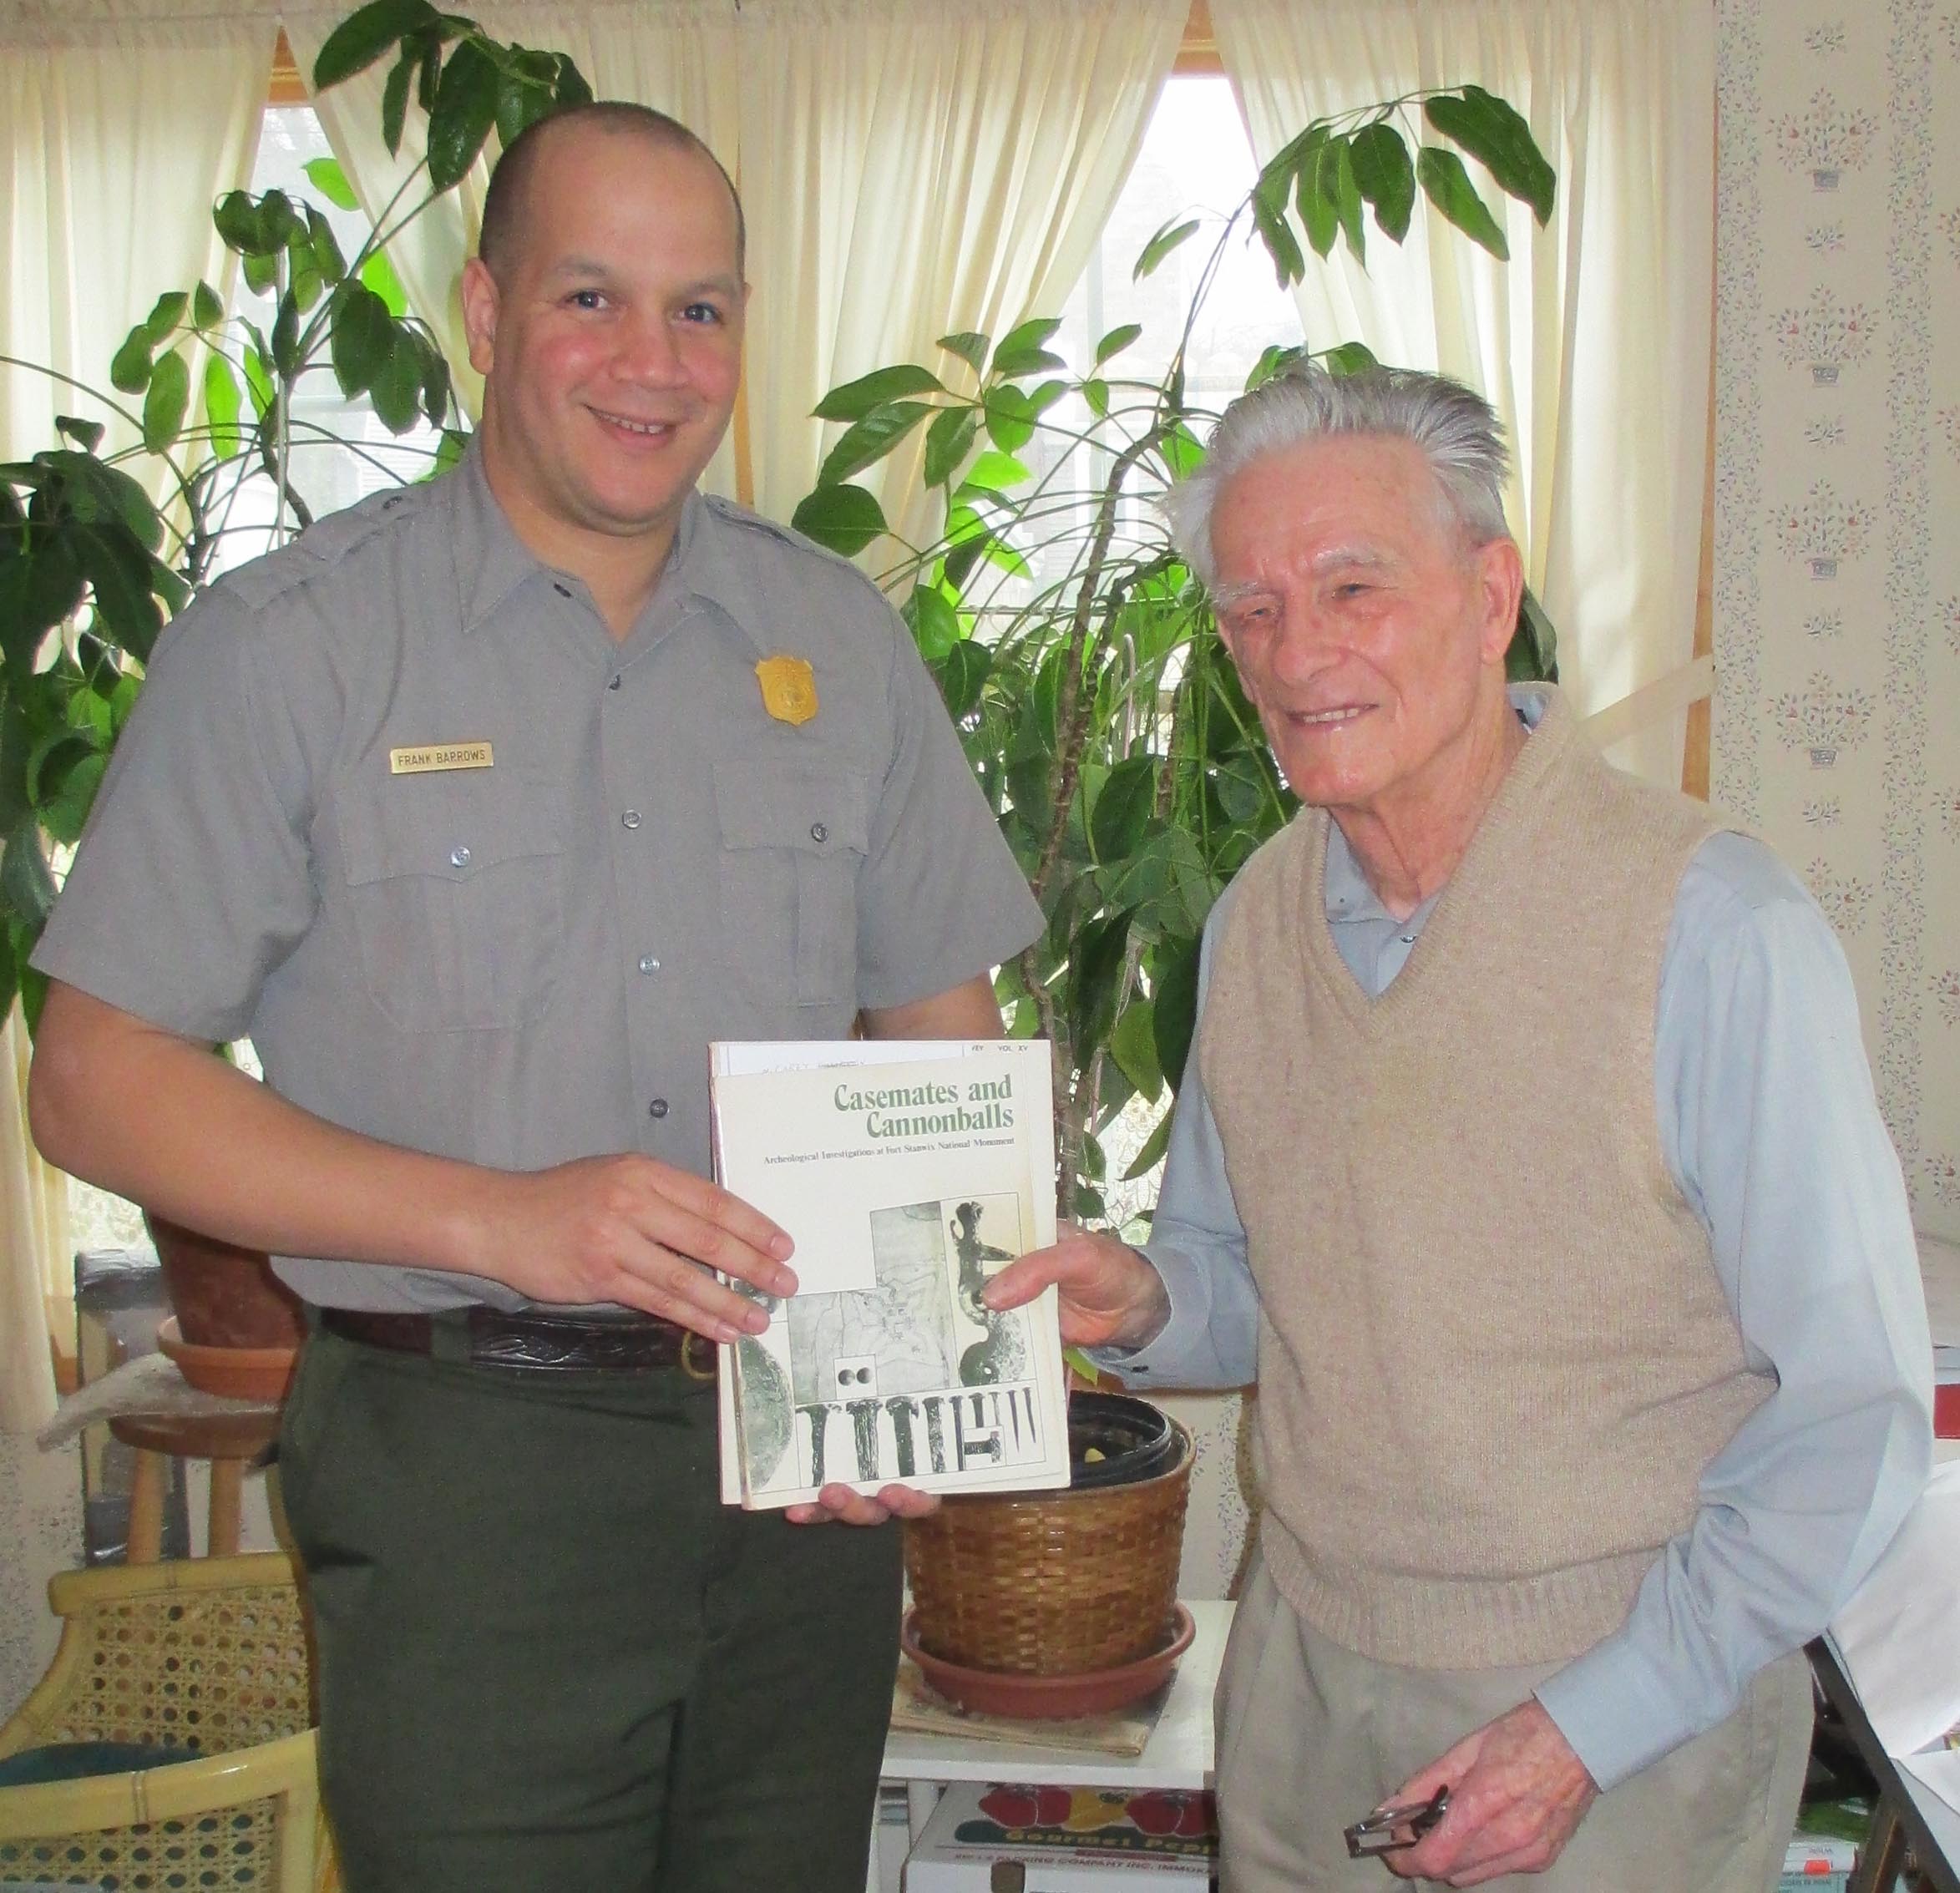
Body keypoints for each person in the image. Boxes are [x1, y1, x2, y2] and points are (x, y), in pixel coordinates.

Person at [28, 102, 1041, 1893]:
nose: (653, 366)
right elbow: (97, 1080)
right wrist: (507, 1221)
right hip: (462, 1471)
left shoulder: (845, 643)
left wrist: (924, 1373)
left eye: (702, 310)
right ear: (486, 314)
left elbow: (938, 1038)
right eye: (594, 298)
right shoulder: (294, 646)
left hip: (795, 1458)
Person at [985, 366, 1933, 1891]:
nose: (1299, 655)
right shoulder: (1251, 923)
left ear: (1489, 597)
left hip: (1623, 1725)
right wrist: (1148, 1303)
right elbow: (1242, 1279)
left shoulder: (1712, 925)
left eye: (1353, 586)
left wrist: (1584, 1729)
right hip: (1301, 1682)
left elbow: (1853, 1420)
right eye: (1253, 611)